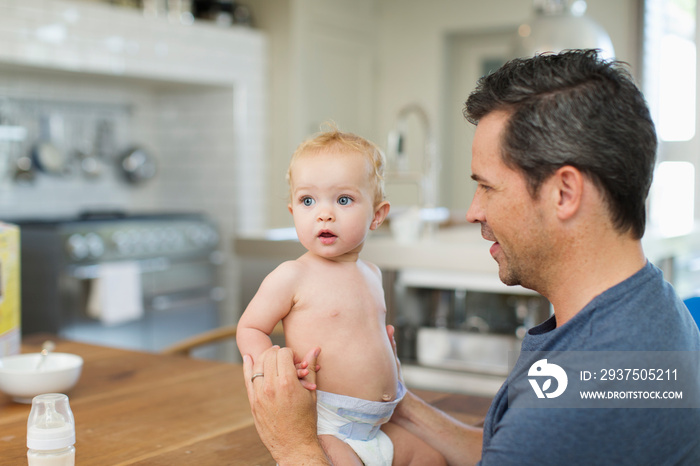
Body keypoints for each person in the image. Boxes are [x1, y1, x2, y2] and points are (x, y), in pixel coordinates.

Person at [242, 49, 700, 465]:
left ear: (564, 192)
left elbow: (539, 437)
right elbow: (504, 451)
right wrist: (397, 397)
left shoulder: (574, 398)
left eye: (487, 186)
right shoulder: (652, 313)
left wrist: (295, 446)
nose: (472, 211)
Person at [237, 127, 446, 465]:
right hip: (326, 426)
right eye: (308, 201)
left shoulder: (373, 274)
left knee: (433, 459)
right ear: (294, 213)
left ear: (377, 215)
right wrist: (277, 370)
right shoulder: (293, 275)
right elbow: (249, 328)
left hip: (379, 425)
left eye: (343, 200)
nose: (324, 213)